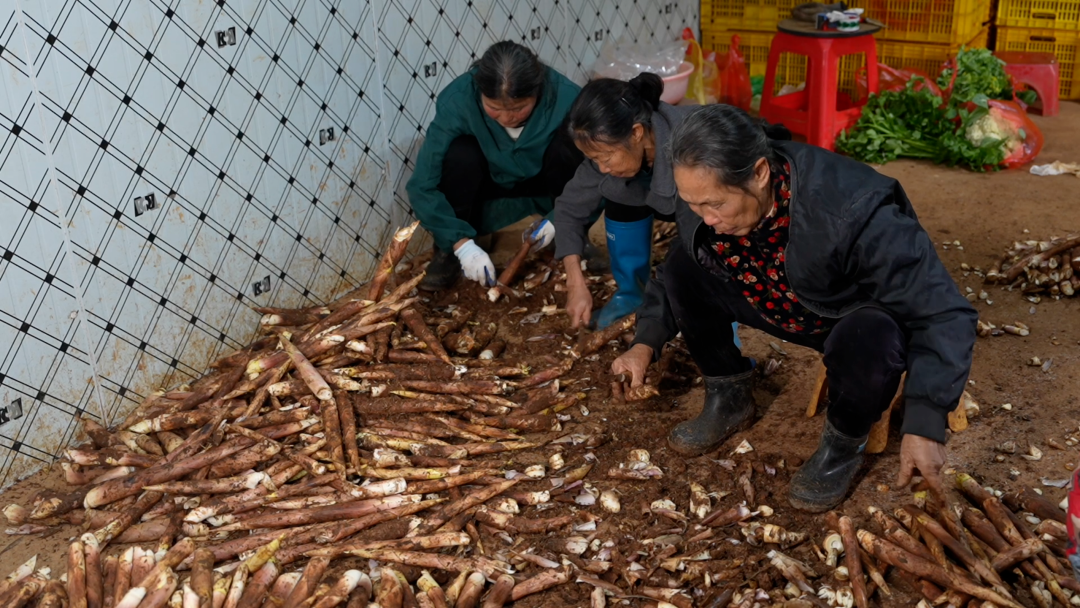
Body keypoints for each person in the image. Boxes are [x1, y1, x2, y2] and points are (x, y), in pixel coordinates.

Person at [612, 104, 977, 512]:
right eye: (695, 206)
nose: (708, 219)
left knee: (871, 337)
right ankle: (729, 397)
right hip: (772, 296)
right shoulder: (702, 194)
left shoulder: (852, 209)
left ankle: (843, 444)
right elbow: (676, 267)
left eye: (716, 205)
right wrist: (645, 343)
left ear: (760, 173)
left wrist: (926, 423)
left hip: (844, 314)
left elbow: (943, 311)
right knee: (683, 266)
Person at [553, 73, 742, 342]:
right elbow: (569, 209)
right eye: (594, 159)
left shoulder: (693, 144)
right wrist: (574, 281)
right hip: (656, 189)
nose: (601, 166)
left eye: (605, 157)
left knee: (702, 253)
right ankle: (631, 294)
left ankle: (724, 318)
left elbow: (716, 229)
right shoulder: (610, 153)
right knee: (617, 187)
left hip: (713, 204)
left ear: (637, 132)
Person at [406, 41, 585, 291]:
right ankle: (448, 251)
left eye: (519, 108)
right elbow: (422, 185)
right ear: (479, 93)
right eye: (494, 109)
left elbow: (595, 174)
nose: (506, 118)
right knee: (459, 153)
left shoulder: (566, 97)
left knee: (568, 147)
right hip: (488, 185)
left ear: (538, 91)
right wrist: (461, 245)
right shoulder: (458, 100)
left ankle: (572, 236)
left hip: (544, 184)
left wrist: (560, 220)